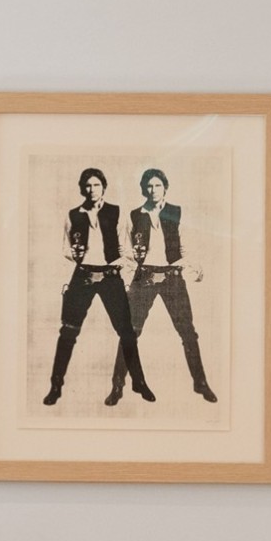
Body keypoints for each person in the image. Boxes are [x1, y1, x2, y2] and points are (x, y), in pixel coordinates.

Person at [107, 168, 218, 405]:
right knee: (130, 332)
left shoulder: (176, 212)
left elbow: (185, 246)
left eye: (157, 185)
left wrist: (190, 268)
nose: (153, 190)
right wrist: (128, 277)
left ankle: (200, 384)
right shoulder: (135, 215)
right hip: (144, 275)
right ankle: (117, 386)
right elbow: (125, 249)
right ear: (143, 189)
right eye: (149, 186)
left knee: (187, 331)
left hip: (172, 276)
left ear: (165, 188)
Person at [44, 169, 154, 406]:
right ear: (82, 188)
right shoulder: (74, 214)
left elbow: (125, 248)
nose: (92, 189)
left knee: (126, 331)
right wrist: (72, 272)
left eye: (96, 185)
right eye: (87, 185)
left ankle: (139, 381)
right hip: (82, 276)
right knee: (68, 332)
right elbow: (65, 249)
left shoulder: (116, 212)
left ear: (104, 187)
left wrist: (122, 274)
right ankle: (55, 386)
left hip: (110, 275)